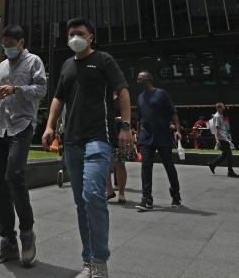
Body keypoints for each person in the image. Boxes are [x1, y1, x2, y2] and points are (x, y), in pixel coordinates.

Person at [42, 18, 132, 278]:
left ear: (91, 37)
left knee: (93, 196)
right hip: (71, 141)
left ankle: (100, 261)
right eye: (70, 34)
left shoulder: (104, 60)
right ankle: (88, 261)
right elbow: (58, 98)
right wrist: (49, 127)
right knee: (81, 204)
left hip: (98, 138)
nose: (74, 38)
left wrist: (126, 125)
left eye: (79, 33)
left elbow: (123, 90)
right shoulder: (67, 65)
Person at [0, 24, 47, 267]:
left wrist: (18, 89)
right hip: (0, 128)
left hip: (22, 126)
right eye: (4, 44)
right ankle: (7, 241)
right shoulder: (0, 66)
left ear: (21, 42)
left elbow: (41, 89)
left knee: (14, 175)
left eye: (10, 44)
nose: (6, 48)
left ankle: (27, 235)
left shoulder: (34, 62)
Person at [134, 71, 182, 211]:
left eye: (140, 77)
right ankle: (146, 199)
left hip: (163, 136)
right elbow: (139, 119)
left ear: (148, 79)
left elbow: (173, 113)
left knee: (169, 166)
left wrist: (178, 130)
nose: (137, 79)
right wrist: (137, 135)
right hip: (146, 137)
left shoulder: (161, 94)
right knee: (146, 167)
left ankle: (176, 194)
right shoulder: (140, 97)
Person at [208, 103, 239, 178]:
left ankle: (213, 164)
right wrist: (217, 141)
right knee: (229, 155)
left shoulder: (220, 115)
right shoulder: (217, 116)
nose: (224, 109)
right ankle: (230, 172)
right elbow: (216, 129)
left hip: (223, 137)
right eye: (222, 108)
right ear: (218, 108)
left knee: (224, 154)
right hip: (221, 138)